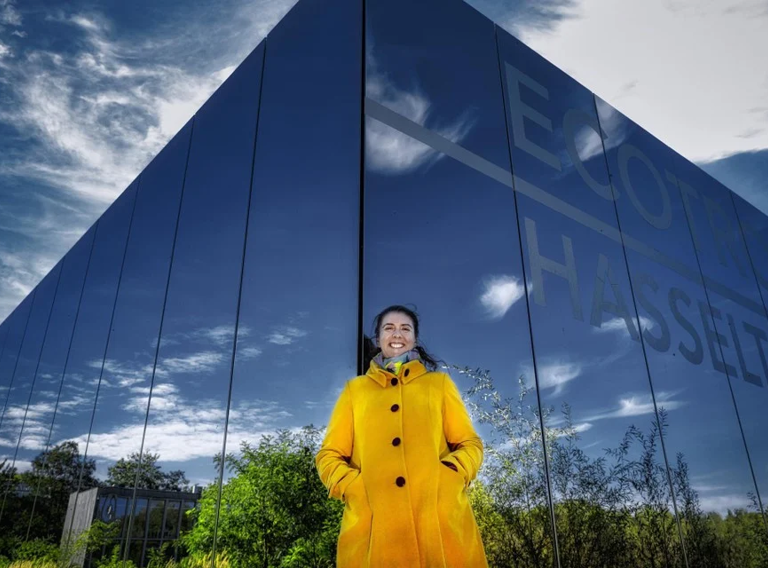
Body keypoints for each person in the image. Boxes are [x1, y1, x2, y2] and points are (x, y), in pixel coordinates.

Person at [315, 304, 489, 567]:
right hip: (373, 529)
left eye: (405, 329)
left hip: (439, 524)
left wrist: (452, 474)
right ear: (378, 339)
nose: (397, 334)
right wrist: (354, 488)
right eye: (389, 328)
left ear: (414, 339)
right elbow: (328, 455)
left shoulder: (439, 385)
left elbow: (470, 443)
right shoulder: (354, 391)